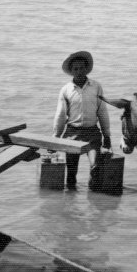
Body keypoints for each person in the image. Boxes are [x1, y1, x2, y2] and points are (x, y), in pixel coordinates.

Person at [52, 51, 111, 190]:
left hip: (92, 133)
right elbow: (61, 115)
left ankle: (93, 199)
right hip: (72, 132)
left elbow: (102, 112)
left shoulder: (96, 87)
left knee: (95, 167)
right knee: (71, 173)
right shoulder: (66, 90)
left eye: (82, 68)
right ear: (71, 71)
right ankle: (71, 204)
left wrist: (107, 135)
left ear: (86, 69)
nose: (79, 72)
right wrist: (55, 138)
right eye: (76, 69)